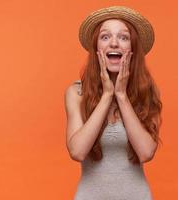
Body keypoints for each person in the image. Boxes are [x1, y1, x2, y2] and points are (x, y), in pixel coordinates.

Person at [64, 5, 162, 200]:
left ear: (132, 48)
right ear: (96, 48)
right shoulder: (76, 93)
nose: (115, 43)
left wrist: (122, 96)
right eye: (105, 37)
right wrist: (108, 95)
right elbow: (77, 151)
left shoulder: (147, 92)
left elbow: (146, 152)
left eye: (124, 37)